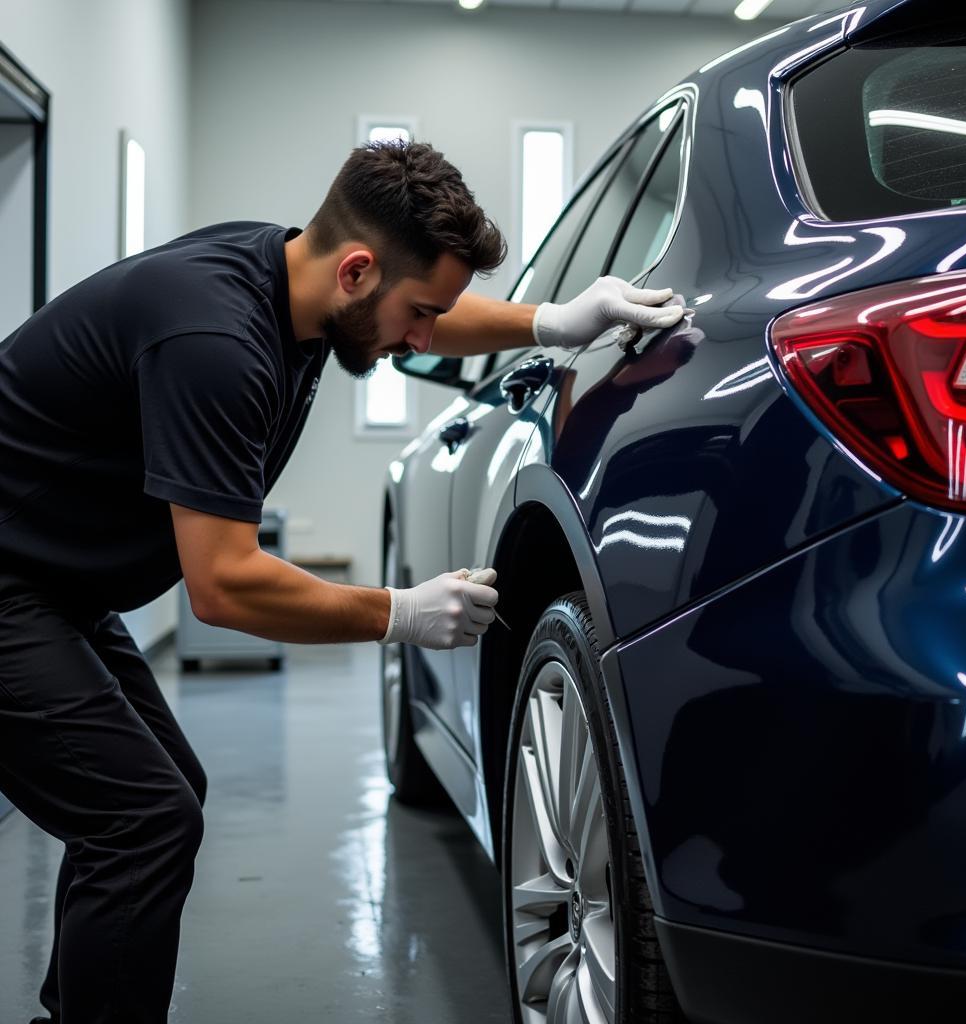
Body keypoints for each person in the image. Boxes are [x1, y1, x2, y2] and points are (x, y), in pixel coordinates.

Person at [0, 139, 683, 1024]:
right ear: (359, 270)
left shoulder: (300, 281)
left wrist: (553, 322)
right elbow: (224, 586)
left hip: (52, 583)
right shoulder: (216, 342)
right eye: (420, 311)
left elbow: (433, 316)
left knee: (162, 793)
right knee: (142, 818)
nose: (425, 338)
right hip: (14, 583)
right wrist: (400, 612)